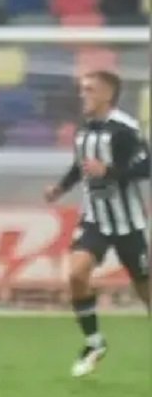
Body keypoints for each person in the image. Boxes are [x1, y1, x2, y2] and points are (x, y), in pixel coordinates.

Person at [44, 70, 150, 377]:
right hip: (95, 220)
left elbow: (146, 165)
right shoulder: (83, 130)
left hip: (128, 222)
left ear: (107, 94)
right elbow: (81, 167)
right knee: (77, 274)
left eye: (90, 89)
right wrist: (60, 189)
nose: (83, 95)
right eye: (82, 89)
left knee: (145, 288)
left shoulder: (125, 128)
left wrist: (111, 171)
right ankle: (94, 342)